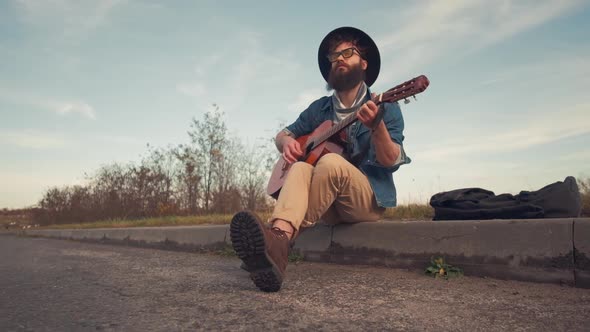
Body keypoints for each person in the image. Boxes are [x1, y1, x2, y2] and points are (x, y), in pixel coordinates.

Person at [230, 27, 410, 292]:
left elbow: (390, 160)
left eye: (347, 52)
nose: (339, 58)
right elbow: (282, 135)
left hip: (365, 201)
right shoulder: (319, 109)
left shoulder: (386, 106)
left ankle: (276, 241)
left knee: (329, 162)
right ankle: (277, 241)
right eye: (334, 55)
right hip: (327, 206)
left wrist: (377, 127)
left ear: (364, 62)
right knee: (301, 166)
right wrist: (288, 143)